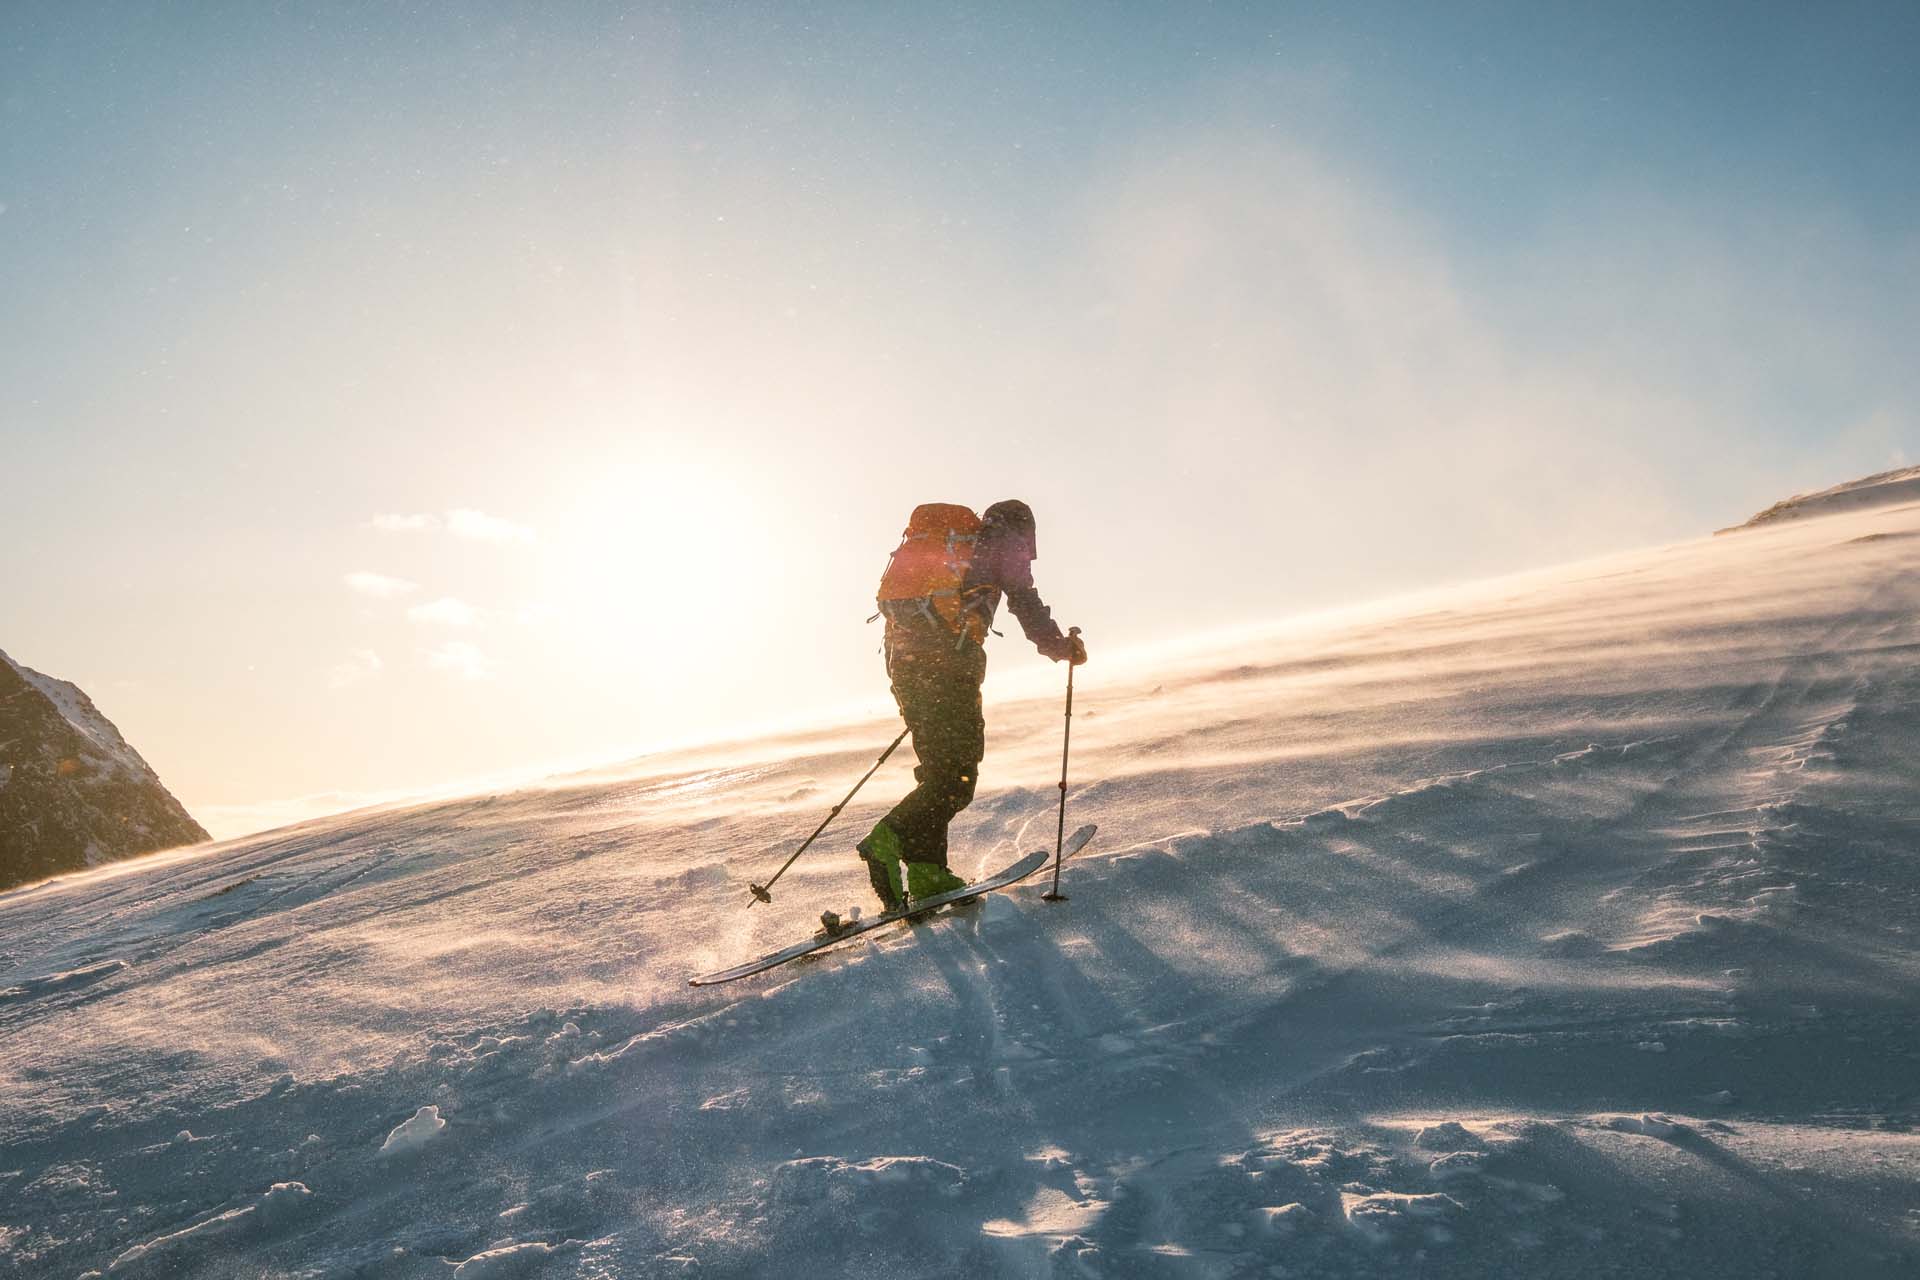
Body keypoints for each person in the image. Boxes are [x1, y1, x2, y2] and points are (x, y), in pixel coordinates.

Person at [856, 499, 1086, 911]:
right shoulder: (1000, 542)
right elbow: (1024, 602)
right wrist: (1062, 648)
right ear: (1022, 530)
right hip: (947, 670)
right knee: (956, 776)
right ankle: (886, 838)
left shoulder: (949, 549)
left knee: (939, 772)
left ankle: (928, 874)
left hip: (905, 667)